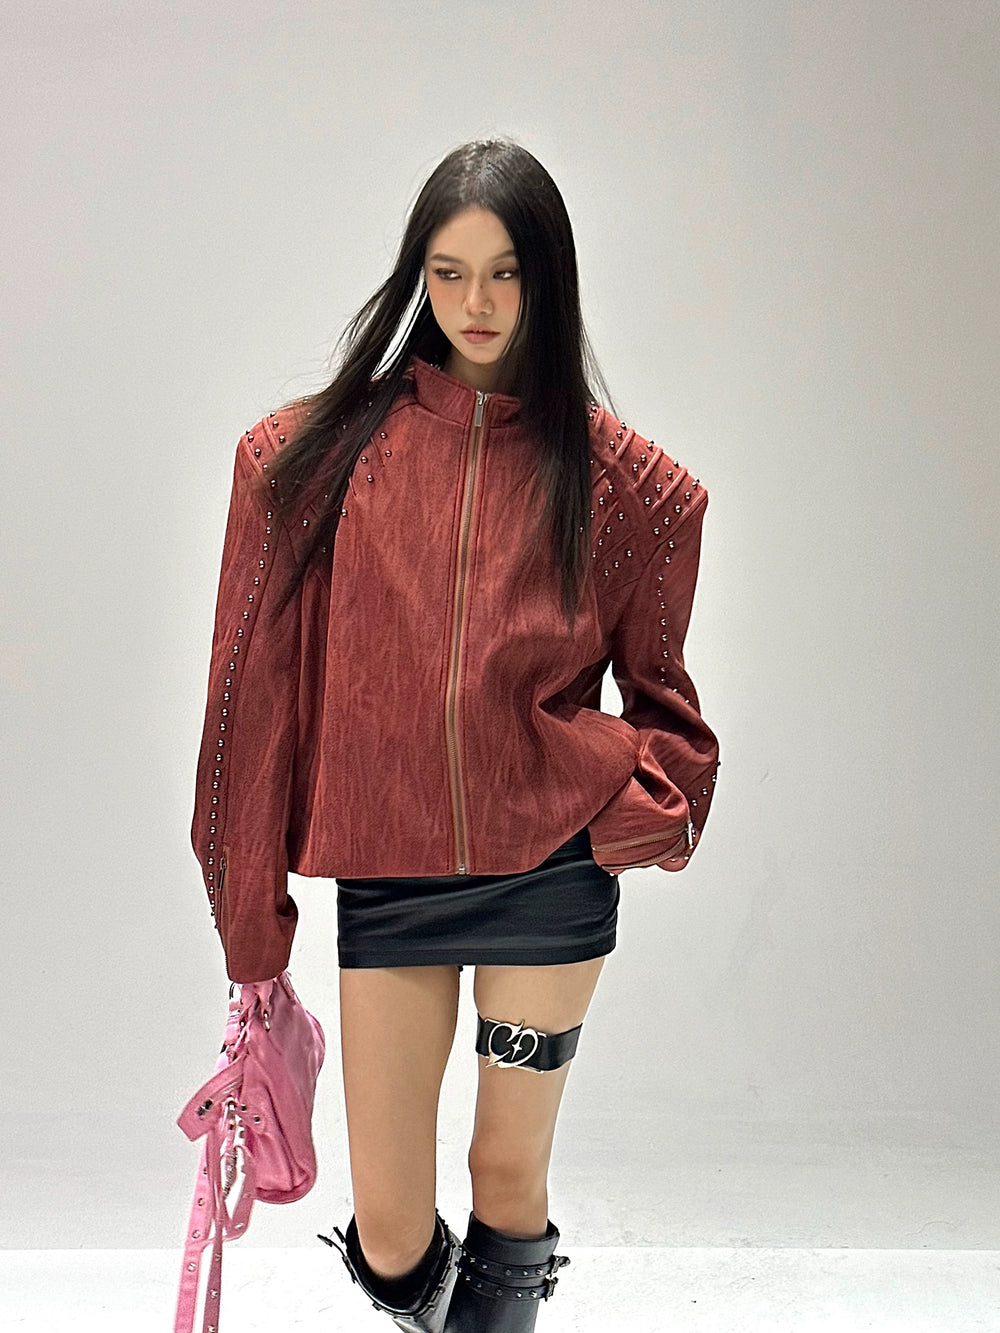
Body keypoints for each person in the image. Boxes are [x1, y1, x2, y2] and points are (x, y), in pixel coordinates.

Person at [190, 138, 720, 1332]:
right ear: (417, 279)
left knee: (503, 1174)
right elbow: (247, 711)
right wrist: (251, 930)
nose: (475, 303)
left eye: (504, 272)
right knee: (390, 1232)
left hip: (551, 879)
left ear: (547, 281)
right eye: (448, 272)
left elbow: (669, 713)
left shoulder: (628, 489)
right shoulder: (313, 465)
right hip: (390, 875)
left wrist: (627, 807)